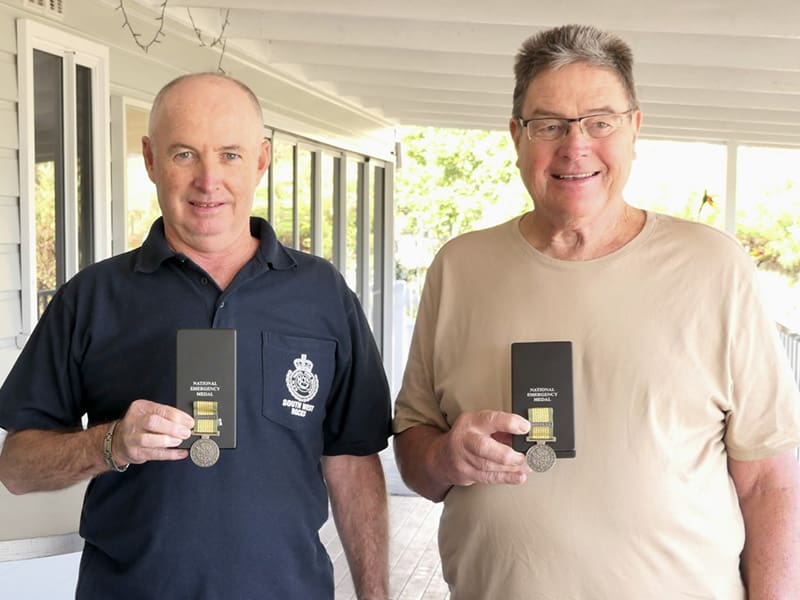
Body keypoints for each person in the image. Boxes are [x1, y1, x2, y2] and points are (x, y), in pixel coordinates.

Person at [393, 24, 800, 599]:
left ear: (635, 128)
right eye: (549, 124)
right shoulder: (459, 269)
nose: (574, 145)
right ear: (517, 136)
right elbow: (413, 446)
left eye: (599, 122)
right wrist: (442, 455)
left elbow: (767, 482)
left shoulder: (714, 268)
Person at [0, 73, 392, 600]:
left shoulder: (322, 295)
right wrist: (111, 443)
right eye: (185, 154)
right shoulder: (92, 298)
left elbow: (353, 459)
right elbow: (18, 468)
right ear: (150, 158)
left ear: (261, 160)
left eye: (230, 154)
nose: (209, 181)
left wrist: (376, 595)